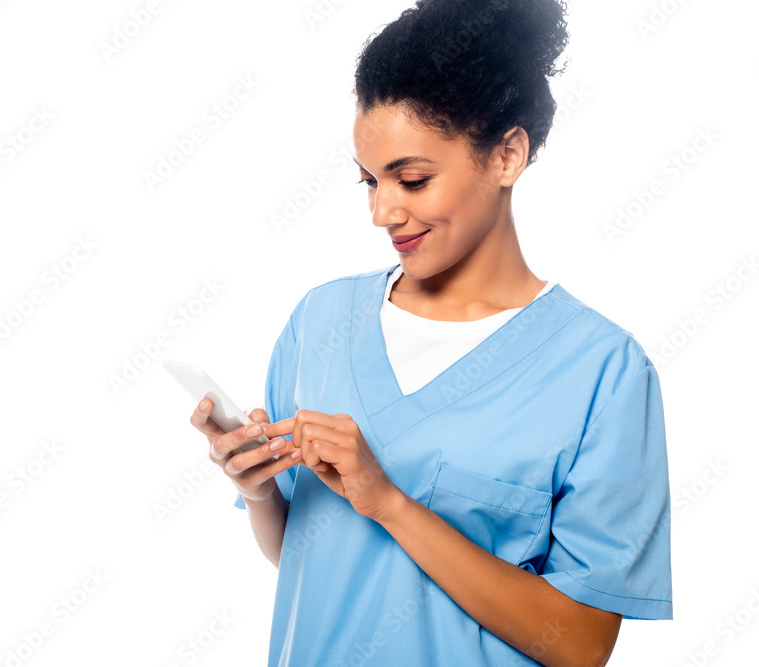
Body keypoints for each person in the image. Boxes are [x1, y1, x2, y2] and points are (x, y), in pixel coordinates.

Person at [188, 0, 673, 664]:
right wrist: (259, 487)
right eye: (368, 181)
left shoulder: (602, 373)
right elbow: (304, 556)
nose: (382, 211)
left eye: (412, 179)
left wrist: (388, 500)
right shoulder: (322, 322)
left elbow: (583, 644)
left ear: (506, 156)